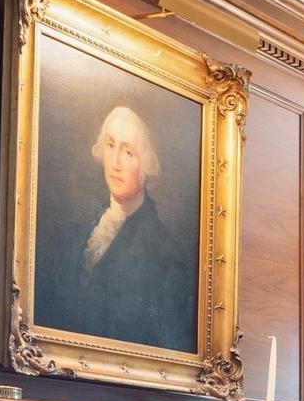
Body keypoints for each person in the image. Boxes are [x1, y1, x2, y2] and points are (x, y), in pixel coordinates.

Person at [48, 105, 197, 353]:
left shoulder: (166, 257)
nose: (115, 162)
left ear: (145, 165)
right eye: (110, 145)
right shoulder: (82, 229)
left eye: (128, 152)